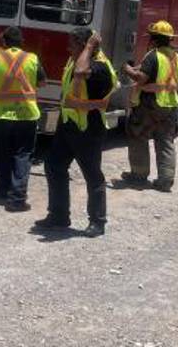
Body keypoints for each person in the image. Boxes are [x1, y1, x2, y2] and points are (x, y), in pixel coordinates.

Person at [34, 27, 117, 237]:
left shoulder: (99, 67)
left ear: (84, 45)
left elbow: (81, 73)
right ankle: (59, 216)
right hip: (69, 125)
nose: (68, 47)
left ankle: (97, 221)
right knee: (53, 166)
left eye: (73, 44)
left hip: (89, 129)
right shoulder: (76, 59)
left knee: (92, 174)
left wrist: (89, 46)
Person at [0, 26, 46, 213]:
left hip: (2, 113)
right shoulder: (32, 58)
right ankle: (17, 199)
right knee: (22, 154)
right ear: (21, 42)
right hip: (27, 114)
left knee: (2, 151)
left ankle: (1, 188)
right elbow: (42, 82)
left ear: (5, 42)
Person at [120, 20, 178, 193]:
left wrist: (126, 69)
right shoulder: (176, 57)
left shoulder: (153, 55)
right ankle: (166, 180)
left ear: (154, 40)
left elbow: (141, 78)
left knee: (138, 135)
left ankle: (139, 175)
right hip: (171, 103)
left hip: (150, 103)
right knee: (165, 141)